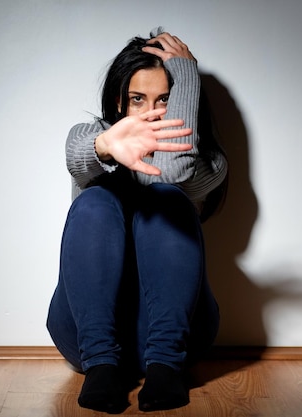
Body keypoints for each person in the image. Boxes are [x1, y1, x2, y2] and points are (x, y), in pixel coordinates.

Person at [46, 28, 228, 413]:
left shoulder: (207, 163)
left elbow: (168, 170)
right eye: (137, 100)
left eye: (166, 98)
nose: (151, 112)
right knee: (95, 201)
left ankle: (164, 368)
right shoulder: (91, 138)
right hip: (85, 336)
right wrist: (107, 146)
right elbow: (77, 155)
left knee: (165, 198)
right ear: (119, 102)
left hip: (177, 339)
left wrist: (187, 73)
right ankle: (101, 368)